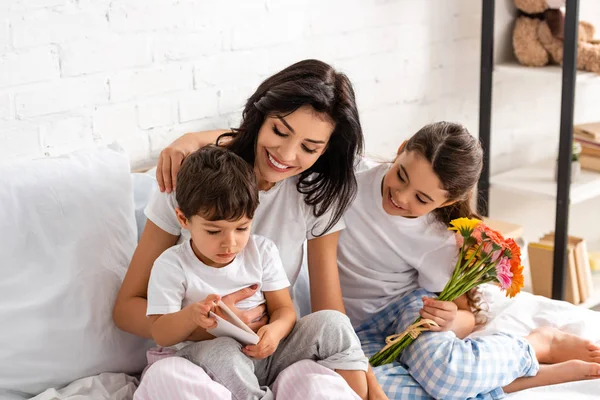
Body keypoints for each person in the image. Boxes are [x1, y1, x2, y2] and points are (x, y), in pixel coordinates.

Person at [113, 59, 387, 399]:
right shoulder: (195, 182)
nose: (286, 154)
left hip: (275, 350)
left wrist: (374, 391)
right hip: (204, 355)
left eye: (309, 147)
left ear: (326, 149)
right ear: (260, 117)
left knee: (329, 336)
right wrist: (210, 324)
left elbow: (330, 315)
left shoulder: (317, 193)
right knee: (183, 376)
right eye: (280, 131)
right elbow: (127, 309)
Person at [337, 121, 600, 399]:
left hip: (409, 311)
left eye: (422, 198)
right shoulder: (349, 177)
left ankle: (536, 345)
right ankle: (517, 379)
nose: (400, 196)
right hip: (355, 330)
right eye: (401, 175)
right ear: (401, 149)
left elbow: (466, 317)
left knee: (448, 374)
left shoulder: (438, 239)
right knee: (372, 388)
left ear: (448, 202)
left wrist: (448, 320)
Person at [146, 146, 368, 399]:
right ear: (184, 220)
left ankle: (358, 396)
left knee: (334, 323)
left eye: (241, 228)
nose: (229, 243)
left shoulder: (262, 250)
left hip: (267, 353)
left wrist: (275, 332)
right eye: (213, 231)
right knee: (224, 350)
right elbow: (160, 333)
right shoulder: (172, 265)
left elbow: (284, 309)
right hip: (207, 356)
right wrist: (192, 317)